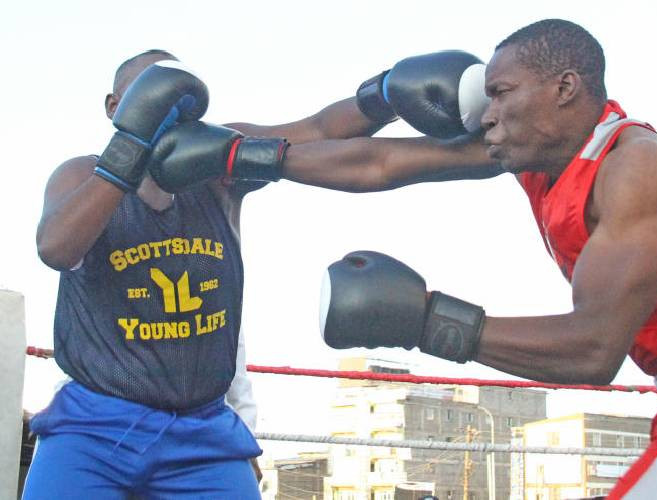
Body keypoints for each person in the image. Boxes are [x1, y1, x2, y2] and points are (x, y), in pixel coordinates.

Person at [146, 20, 657, 498]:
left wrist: (425, 320)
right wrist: (238, 152)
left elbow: (594, 349)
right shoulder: (534, 153)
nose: (485, 112)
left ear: (564, 89)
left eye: (502, 92)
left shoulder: (635, 169)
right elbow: (382, 161)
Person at [26, 48, 392, 499]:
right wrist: (129, 150)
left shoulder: (218, 168)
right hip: (94, 425)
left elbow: (317, 131)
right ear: (114, 106)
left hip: (201, 429)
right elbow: (55, 247)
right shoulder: (80, 175)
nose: (166, 113)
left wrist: (387, 94)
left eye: (178, 104)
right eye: (150, 98)